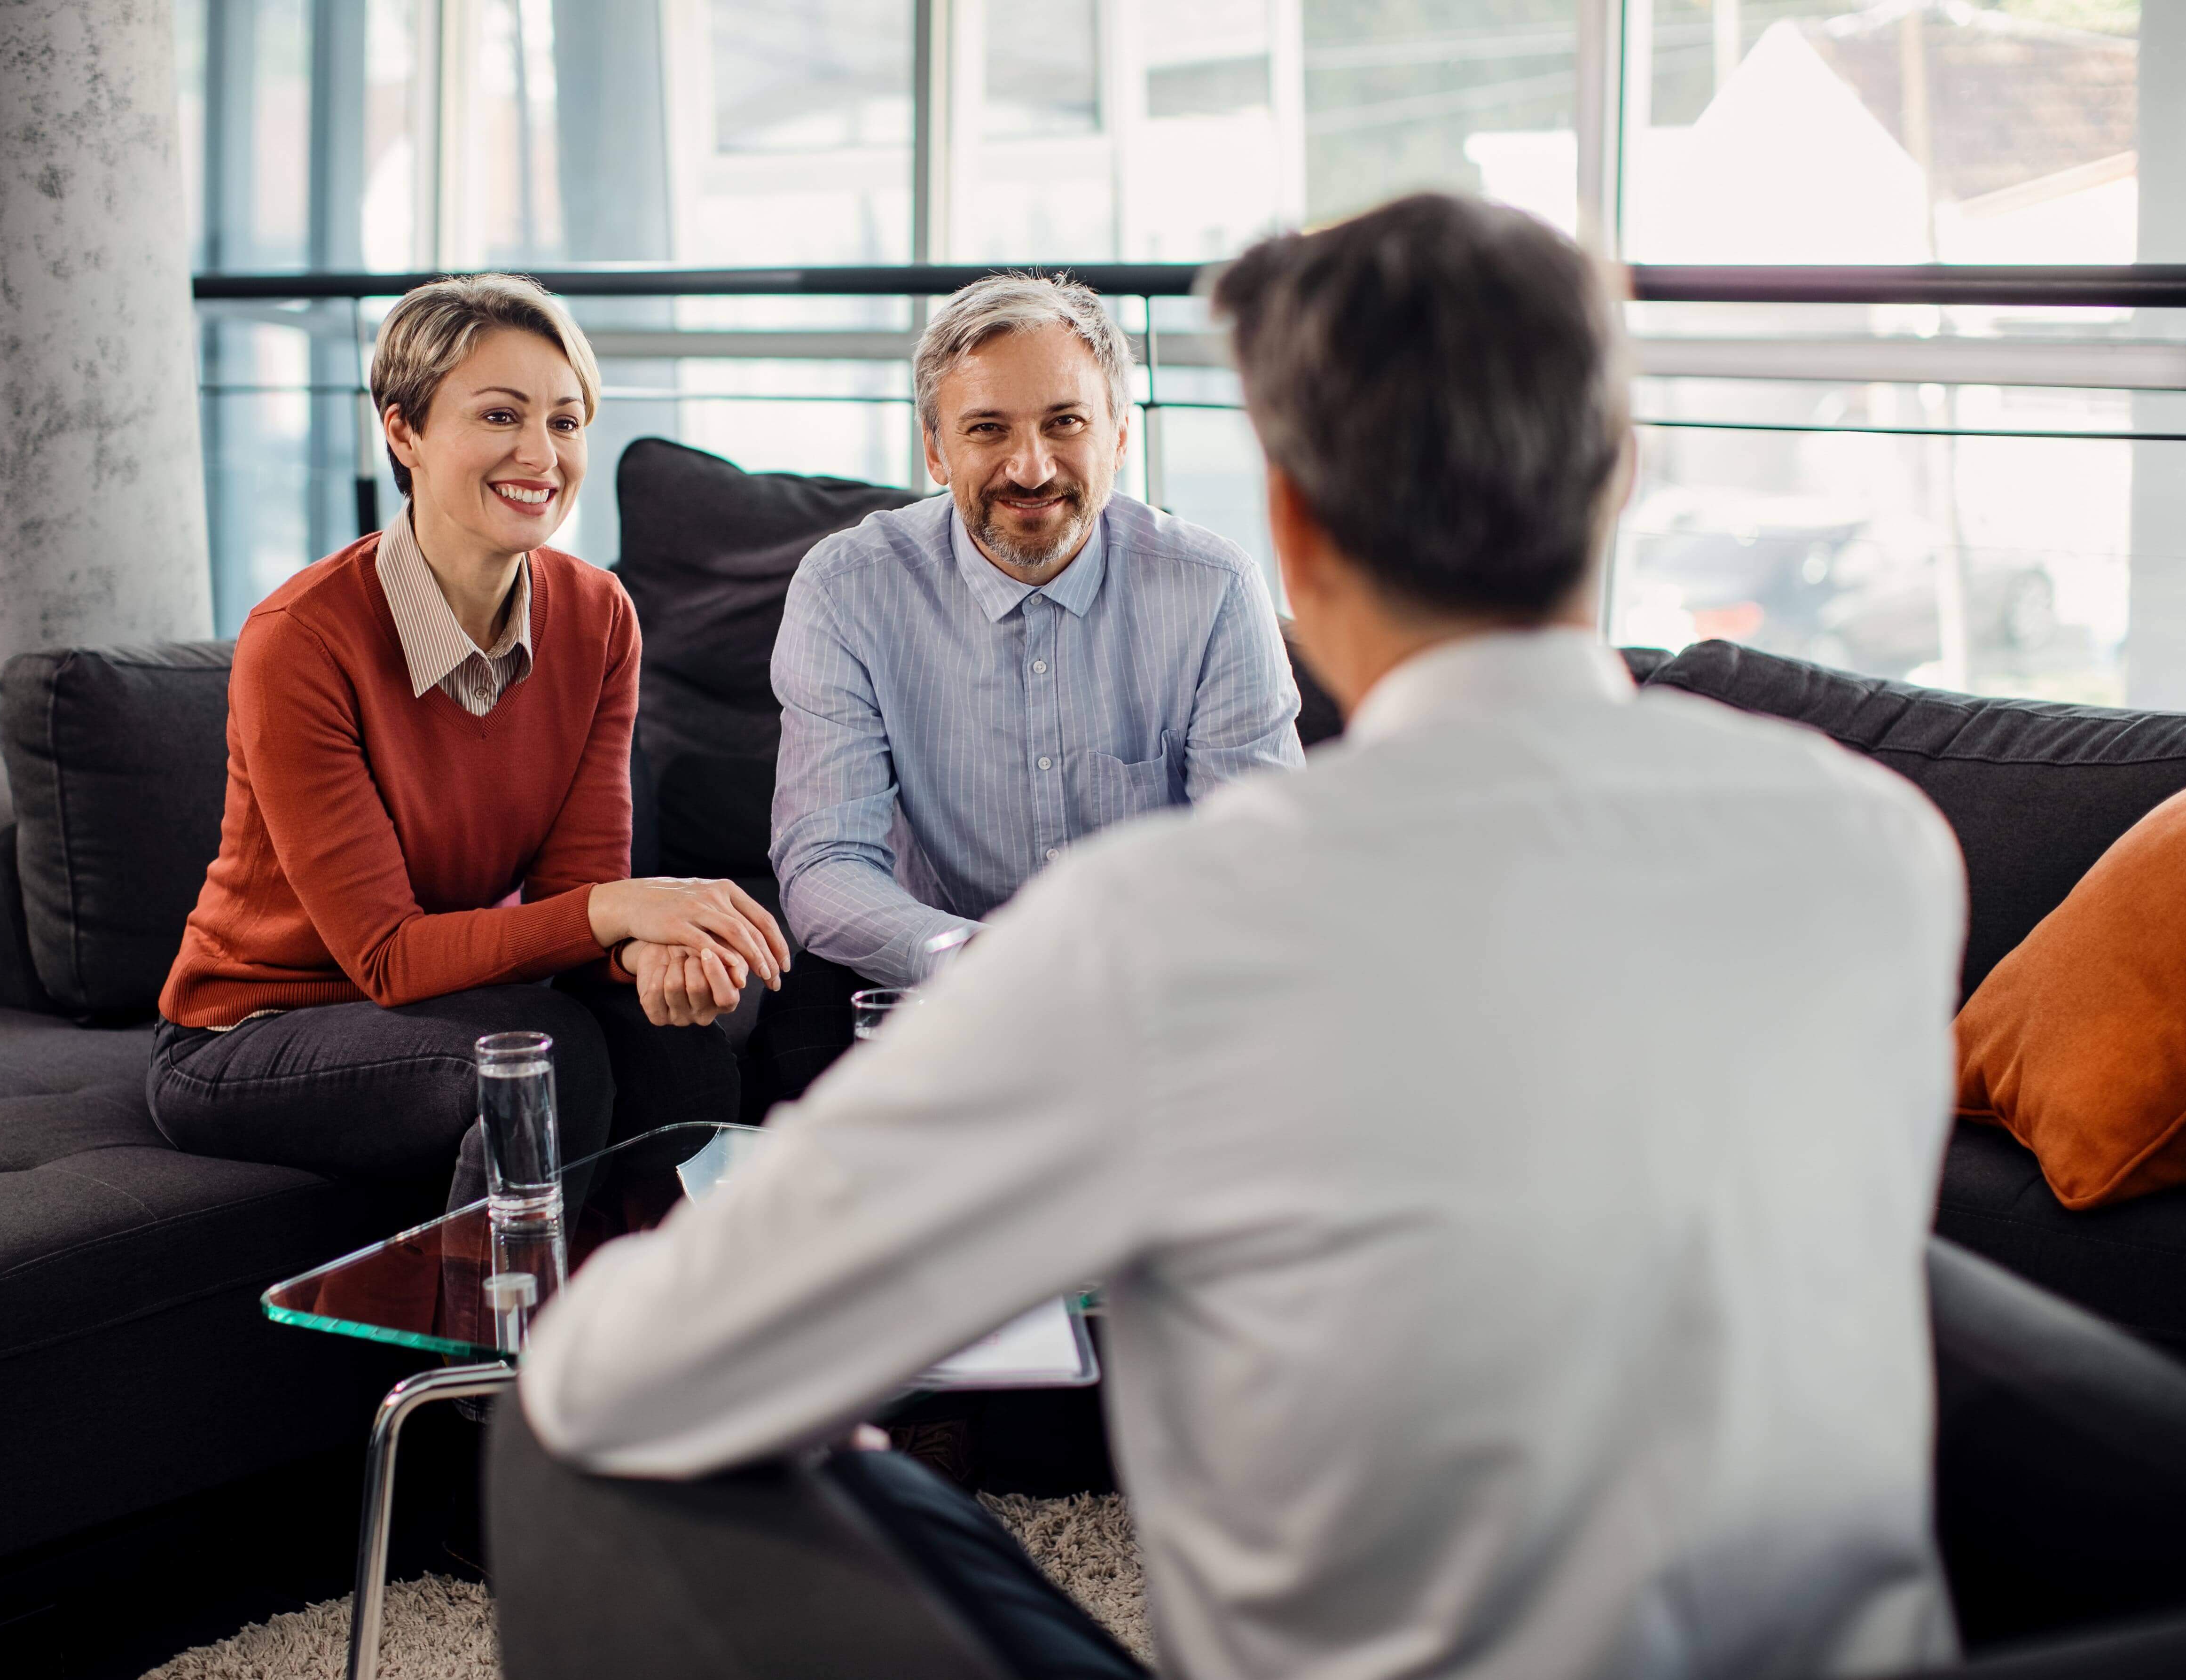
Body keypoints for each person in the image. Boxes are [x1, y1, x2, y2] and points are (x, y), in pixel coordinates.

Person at [503, 195, 1968, 1680]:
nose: (1028, 467)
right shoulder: (1881, 848)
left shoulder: (1164, 931)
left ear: (1289, 523)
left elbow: (622, 1383)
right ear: (1622, 474)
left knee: (564, 1445)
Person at [148, 274, 789, 1214]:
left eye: (566, 423)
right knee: (537, 1055)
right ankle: (501, 1353)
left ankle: (667, 1342)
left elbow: (575, 900)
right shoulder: (302, 638)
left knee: (672, 1037)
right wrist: (624, 911)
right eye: (500, 415)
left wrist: (649, 953)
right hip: (250, 1030)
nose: (541, 454)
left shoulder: (597, 615)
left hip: (443, 999)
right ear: (402, 432)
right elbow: (388, 958)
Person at [751, 272, 1301, 1104]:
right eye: (987, 429)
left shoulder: (1214, 588)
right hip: (934, 1002)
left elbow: (1257, 863)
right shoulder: (844, 588)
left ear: (1119, 436)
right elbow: (825, 862)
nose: (1031, 467)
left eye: (1064, 423)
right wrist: (976, 963)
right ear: (935, 450)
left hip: (1158, 1008)